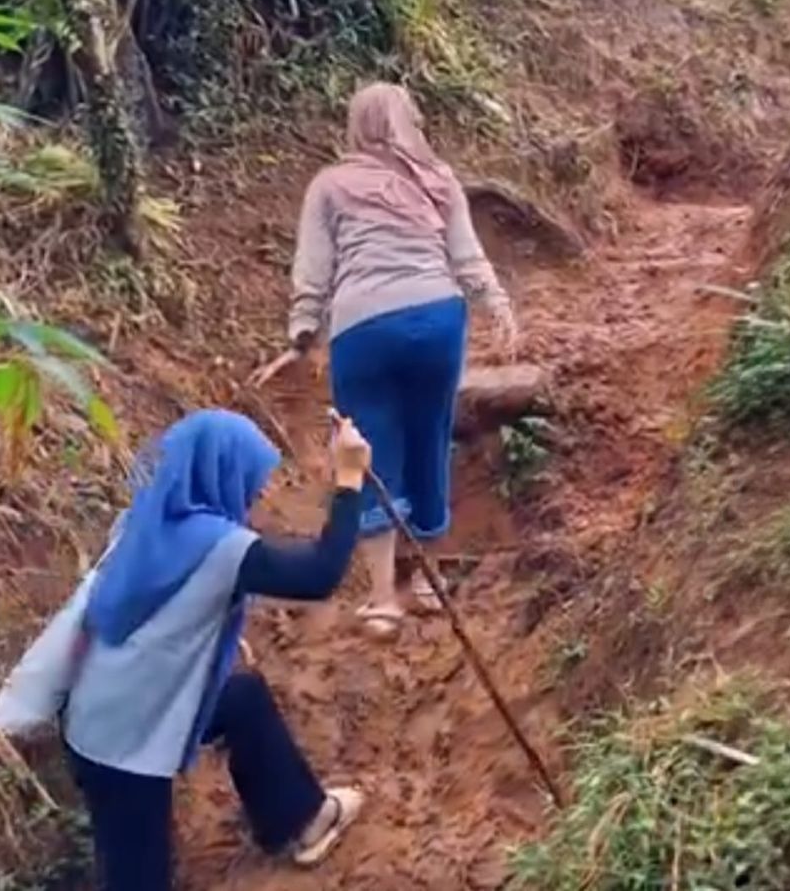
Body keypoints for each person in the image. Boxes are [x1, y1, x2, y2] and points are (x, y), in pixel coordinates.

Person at [62, 408, 369, 890]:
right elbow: (320, 574)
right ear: (220, 474)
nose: (254, 495)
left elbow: (143, 608)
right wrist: (348, 481)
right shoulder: (217, 545)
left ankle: (299, 818)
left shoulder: (141, 523)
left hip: (102, 708)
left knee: (240, 699)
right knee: (138, 877)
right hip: (120, 743)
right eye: (249, 480)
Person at [255, 82, 517, 638]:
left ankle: (381, 601)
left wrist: (302, 333)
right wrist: (495, 301)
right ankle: (425, 582)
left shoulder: (329, 185)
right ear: (408, 123)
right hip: (438, 319)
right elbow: (465, 255)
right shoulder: (438, 179)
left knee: (366, 450)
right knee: (430, 436)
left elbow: (314, 269)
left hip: (363, 326)